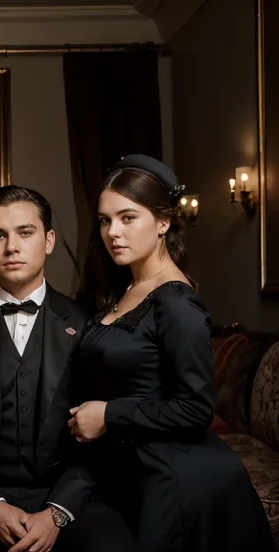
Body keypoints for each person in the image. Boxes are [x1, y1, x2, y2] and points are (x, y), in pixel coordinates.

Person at [0, 186, 135, 552]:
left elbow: (103, 431)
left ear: (48, 241)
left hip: (63, 492)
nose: (11, 247)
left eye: (25, 233)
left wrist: (58, 512)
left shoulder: (88, 325)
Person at [71, 154, 274, 552]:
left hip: (178, 478)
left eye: (128, 218)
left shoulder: (177, 301)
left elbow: (196, 409)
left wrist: (109, 414)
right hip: (134, 470)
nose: (113, 231)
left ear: (163, 222)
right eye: (104, 219)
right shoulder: (126, 288)